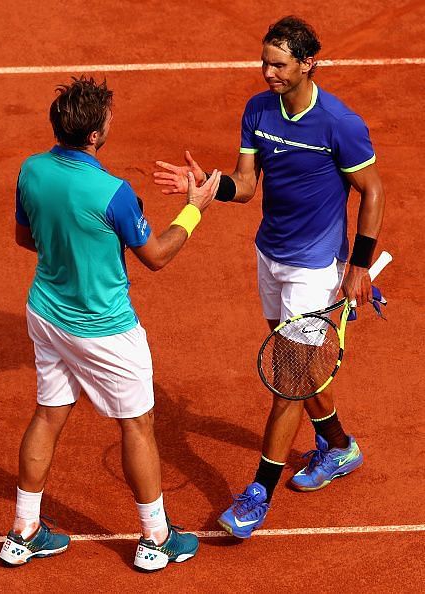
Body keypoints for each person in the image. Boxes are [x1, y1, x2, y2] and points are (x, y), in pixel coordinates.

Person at [153, 15, 385, 538]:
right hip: (271, 257)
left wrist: (360, 266)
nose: (267, 72)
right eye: (264, 62)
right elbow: (247, 184)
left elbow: (373, 192)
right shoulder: (257, 111)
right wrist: (211, 185)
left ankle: (257, 493)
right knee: (299, 369)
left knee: (287, 383)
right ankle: (340, 446)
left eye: (278, 64)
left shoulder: (339, 124)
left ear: (308, 63)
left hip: (317, 266)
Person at [0, 76, 221, 569]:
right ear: (95, 136)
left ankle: (23, 531)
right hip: (105, 330)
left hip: (46, 314)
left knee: (49, 413)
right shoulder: (114, 193)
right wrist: (194, 209)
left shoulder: (31, 170)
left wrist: (72, 249)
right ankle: (156, 539)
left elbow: (25, 237)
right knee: (138, 426)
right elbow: (156, 256)